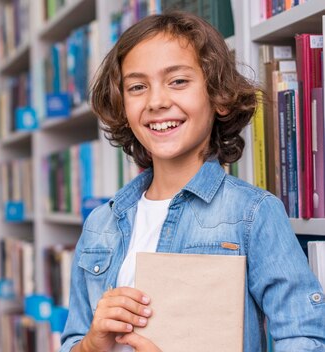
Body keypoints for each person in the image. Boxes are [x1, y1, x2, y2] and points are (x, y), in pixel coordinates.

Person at [60, 11, 325, 352]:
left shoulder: (253, 214)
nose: (156, 102)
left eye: (178, 81)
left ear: (218, 97)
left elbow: (305, 339)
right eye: (138, 87)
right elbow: (72, 341)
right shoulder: (100, 224)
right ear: (122, 105)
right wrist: (91, 345)